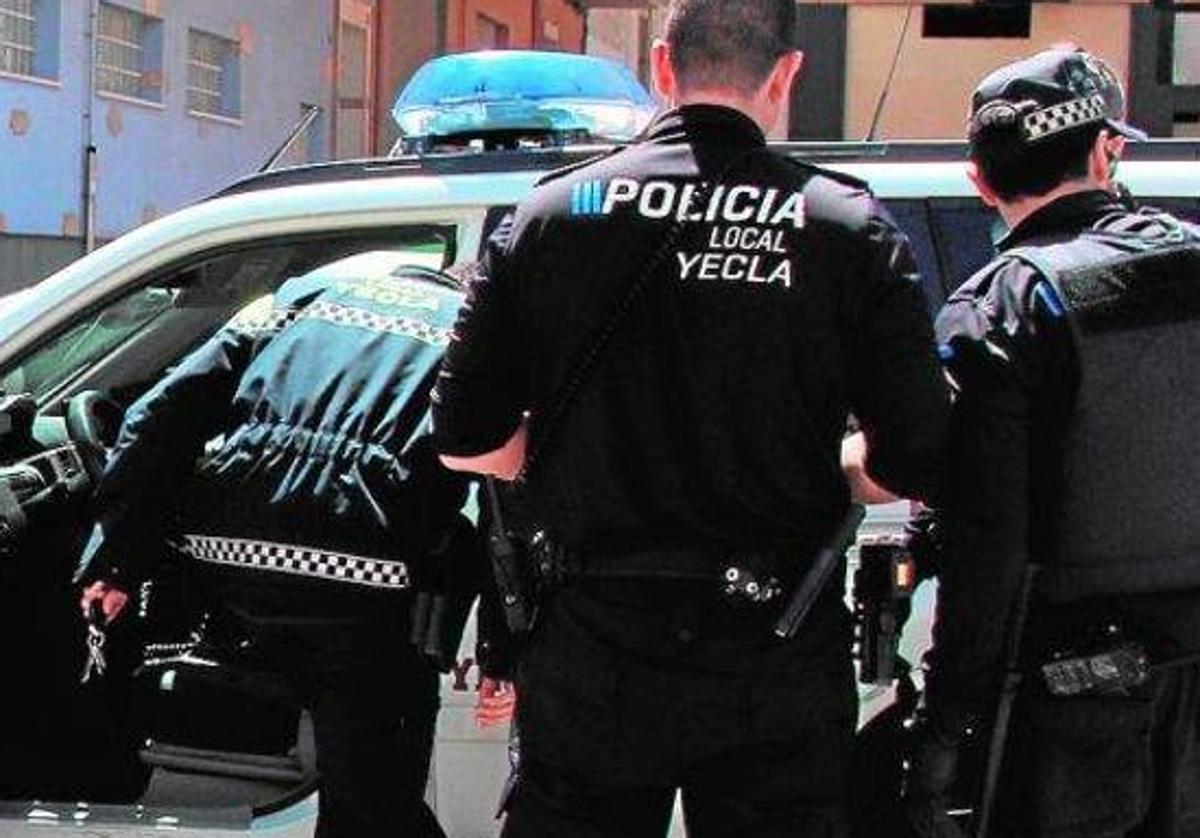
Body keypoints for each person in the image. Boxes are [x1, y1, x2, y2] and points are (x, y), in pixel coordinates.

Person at [432, 1, 949, 834]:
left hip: (597, 639)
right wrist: (829, 466)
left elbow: (465, 439)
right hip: (775, 641)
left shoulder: (551, 215)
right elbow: (918, 456)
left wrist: (561, 458)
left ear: (664, 68)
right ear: (786, 76)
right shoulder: (847, 227)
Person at [902, 47, 1200, 838]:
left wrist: (945, 725)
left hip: (1073, 703)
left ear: (981, 180)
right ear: (1108, 151)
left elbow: (986, 541)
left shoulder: (1004, 308)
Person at [76, 264, 476, 838]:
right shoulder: (464, 328)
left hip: (237, 558)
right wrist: (503, 642)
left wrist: (115, 562)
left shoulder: (299, 298)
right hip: (365, 573)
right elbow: (502, 470)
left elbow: (159, 417)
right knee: (374, 790)